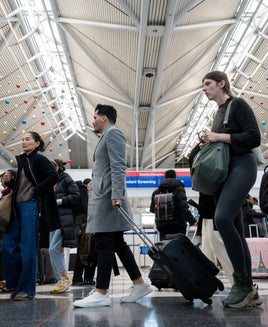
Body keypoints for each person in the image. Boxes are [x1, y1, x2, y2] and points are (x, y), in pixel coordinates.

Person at [73, 104, 152, 308]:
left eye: (95, 116)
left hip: (109, 198)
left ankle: (101, 292)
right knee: (116, 242)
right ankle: (139, 283)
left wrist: (116, 194)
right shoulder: (106, 136)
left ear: (104, 118)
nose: (93, 120)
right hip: (106, 196)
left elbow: (118, 165)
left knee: (104, 242)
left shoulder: (113, 133)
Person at [201, 70, 262, 308]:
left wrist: (217, 136)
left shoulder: (237, 104)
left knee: (223, 219)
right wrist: (210, 140)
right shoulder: (218, 112)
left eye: (208, 84)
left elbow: (253, 137)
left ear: (222, 84)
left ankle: (243, 285)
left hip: (242, 166)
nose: (204, 88)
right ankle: (249, 291)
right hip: (225, 170)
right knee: (234, 226)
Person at [1, 131, 60, 301]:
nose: (23, 141)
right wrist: (11, 182)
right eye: (22, 139)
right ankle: (16, 284)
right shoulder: (22, 161)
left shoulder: (39, 159)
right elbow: (24, 183)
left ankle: (27, 289)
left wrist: (36, 191)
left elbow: (53, 176)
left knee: (28, 248)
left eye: (27, 139)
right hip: (17, 208)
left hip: (30, 206)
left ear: (36, 143)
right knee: (7, 247)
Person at [49, 159, 80, 294]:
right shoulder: (51, 183)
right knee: (56, 250)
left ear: (56, 168)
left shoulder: (66, 179)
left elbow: (76, 196)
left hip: (64, 220)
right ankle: (62, 279)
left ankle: (64, 278)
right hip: (53, 220)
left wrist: (59, 201)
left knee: (54, 250)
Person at [149, 169, 196, 240]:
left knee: (165, 247)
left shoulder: (156, 192)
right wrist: (192, 221)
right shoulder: (179, 189)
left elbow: (152, 209)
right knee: (178, 246)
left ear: (165, 177)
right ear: (175, 176)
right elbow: (183, 207)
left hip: (162, 226)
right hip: (178, 225)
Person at [73, 178, 98, 286]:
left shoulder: (90, 197)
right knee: (83, 253)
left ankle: (86, 278)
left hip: (90, 227)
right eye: (90, 185)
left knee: (91, 253)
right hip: (85, 227)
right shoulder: (83, 195)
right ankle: (79, 278)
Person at [0, 170, 17, 291]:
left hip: (8, 225)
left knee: (5, 251)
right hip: (4, 225)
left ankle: (7, 279)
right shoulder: (5, 192)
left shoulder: (12, 192)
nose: (3, 178)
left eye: (6, 175)